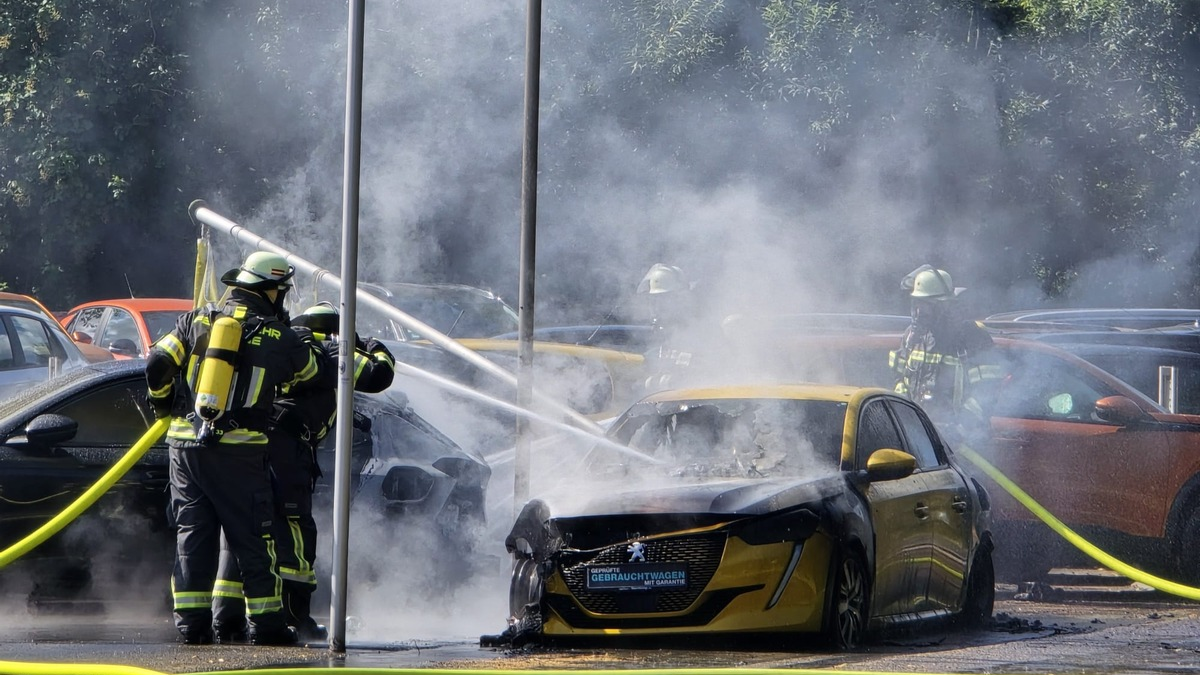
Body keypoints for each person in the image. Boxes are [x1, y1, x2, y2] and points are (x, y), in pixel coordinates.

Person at [146, 251, 323, 646]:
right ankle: (267, 626)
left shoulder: (196, 320)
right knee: (254, 539)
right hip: (239, 452)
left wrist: (162, 403)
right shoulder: (279, 337)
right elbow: (311, 371)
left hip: (184, 448)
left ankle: (192, 627)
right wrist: (304, 337)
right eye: (282, 290)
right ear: (270, 291)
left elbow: (157, 361)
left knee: (192, 536)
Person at [211, 302, 396, 643]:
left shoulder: (281, 344)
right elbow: (380, 374)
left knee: (241, 529)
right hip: (285, 452)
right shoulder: (328, 350)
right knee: (294, 532)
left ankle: (227, 619)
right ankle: (297, 617)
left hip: (247, 446)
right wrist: (368, 345)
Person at [890, 265, 995, 432]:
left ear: (944, 306)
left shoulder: (972, 338)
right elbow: (900, 380)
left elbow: (988, 393)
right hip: (920, 435)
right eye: (916, 304)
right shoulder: (912, 337)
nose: (918, 311)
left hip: (966, 441)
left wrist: (960, 430)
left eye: (925, 305)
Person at [637, 263, 698, 393]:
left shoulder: (700, 330)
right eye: (654, 300)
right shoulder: (664, 333)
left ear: (680, 299)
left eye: (664, 299)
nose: (657, 306)